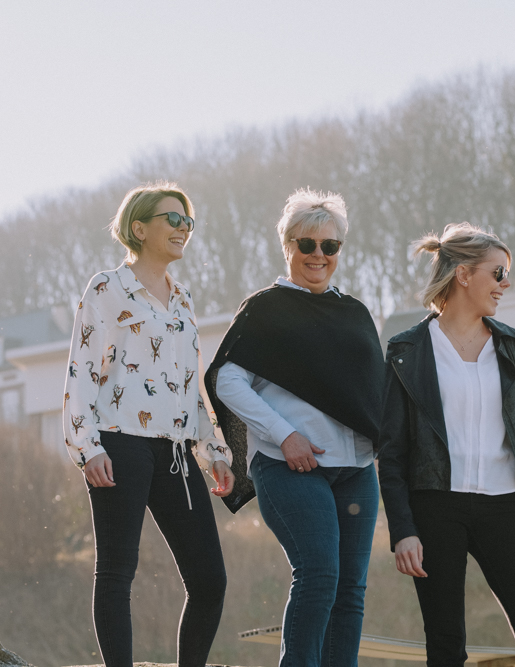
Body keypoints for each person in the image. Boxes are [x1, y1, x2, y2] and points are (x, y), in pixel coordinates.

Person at [205, 189, 385, 667]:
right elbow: (226, 378)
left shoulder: (356, 313)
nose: (319, 256)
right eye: (307, 244)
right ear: (287, 245)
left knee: (350, 589)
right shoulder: (266, 308)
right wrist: (285, 435)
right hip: (290, 468)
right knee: (319, 575)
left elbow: (370, 392)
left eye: (331, 246)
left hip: (357, 472)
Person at [378, 223, 515, 667]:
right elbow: (392, 452)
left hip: (503, 507)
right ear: (463, 274)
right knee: (445, 645)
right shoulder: (407, 350)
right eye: (498, 273)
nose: (506, 284)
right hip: (434, 507)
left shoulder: (512, 346)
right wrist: (403, 529)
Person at [63, 182, 235, 667]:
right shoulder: (106, 288)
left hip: (177, 452)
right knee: (117, 572)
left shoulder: (182, 298)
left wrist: (214, 450)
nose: (184, 228)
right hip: (119, 443)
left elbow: (189, 382)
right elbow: (80, 371)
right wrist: (86, 445)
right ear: (139, 228)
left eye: (188, 221)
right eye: (172, 219)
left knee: (209, 581)